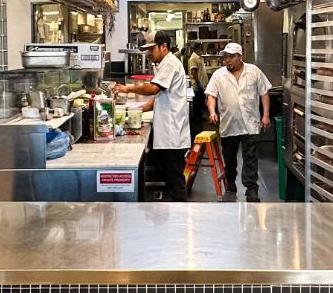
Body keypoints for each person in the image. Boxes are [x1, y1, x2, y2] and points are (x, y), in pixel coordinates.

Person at [110, 30, 190, 200]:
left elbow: (154, 88)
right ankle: (175, 213)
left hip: (172, 134)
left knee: (175, 181)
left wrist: (128, 88)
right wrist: (141, 109)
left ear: (164, 47)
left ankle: (180, 216)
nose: (148, 54)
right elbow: (161, 93)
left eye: (151, 49)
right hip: (168, 132)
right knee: (171, 178)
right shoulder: (164, 64)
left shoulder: (169, 64)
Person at [205, 42, 271, 202]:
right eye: (225, 57)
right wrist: (212, 111)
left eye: (231, 57)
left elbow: (264, 93)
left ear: (240, 57)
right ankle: (230, 181)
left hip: (250, 123)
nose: (227, 60)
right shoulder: (219, 75)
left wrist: (266, 115)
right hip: (229, 123)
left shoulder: (254, 71)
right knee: (229, 157)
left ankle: (251, 189)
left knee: (250, 158)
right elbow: (211, 96)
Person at [186, 44, 209, 133]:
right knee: (197, 103)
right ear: (196, 49)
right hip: (196, 85)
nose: (202, 50)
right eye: (201, 49)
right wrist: (198, 82)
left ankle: (199, 119)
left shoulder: (200, 58)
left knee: (200, 102)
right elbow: (193, 72)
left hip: (202, 85)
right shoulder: (193, 58)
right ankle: (197, 124)